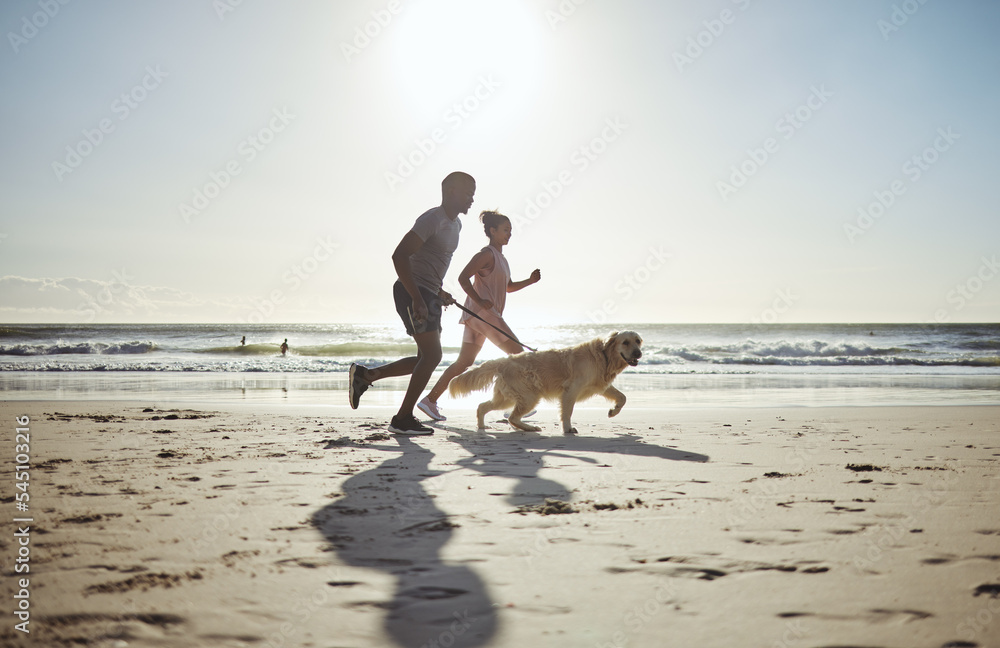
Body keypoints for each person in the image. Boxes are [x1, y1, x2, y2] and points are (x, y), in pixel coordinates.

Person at [349, 171, 476, 435]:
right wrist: (418, 297)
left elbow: (429, 263)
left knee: (424, 358)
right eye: (468, 192)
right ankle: (403, 418)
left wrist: (439, 292)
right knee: (433, 356)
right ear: (451, 191)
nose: (472, 199)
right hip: (412, 292)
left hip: (429, 293)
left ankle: (367, 375)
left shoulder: (457, 225)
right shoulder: (432, 219)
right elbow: (399, 256)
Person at [417, 210, 540, 421]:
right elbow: (463, 278)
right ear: (492, 231)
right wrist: (479, 300)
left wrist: (529, 281)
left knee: (464, 362)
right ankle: (516, 405)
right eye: (505, 230)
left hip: (477, 317)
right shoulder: (486, 254)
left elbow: (507, 287)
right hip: (485, 315)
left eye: (510, 231)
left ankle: (429, 400)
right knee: (520, 356)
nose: (509, 234)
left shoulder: (501, 259)